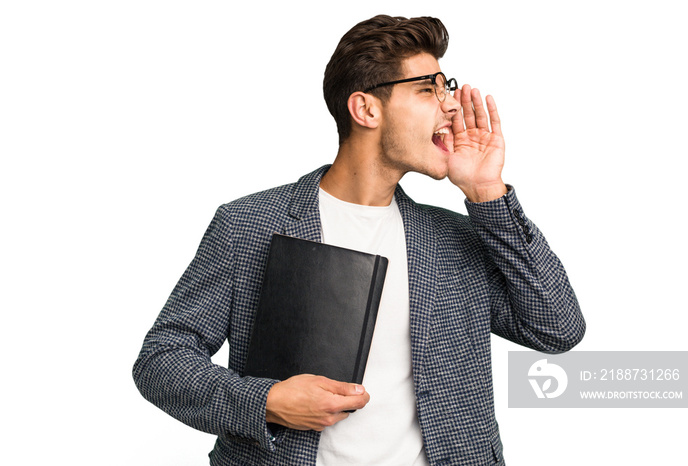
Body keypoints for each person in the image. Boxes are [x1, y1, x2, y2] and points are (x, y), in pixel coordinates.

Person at [133, 14, 585, 466]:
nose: (449, 106)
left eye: (447, 88)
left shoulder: (457, 238)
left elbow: (558, 329)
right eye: (428, 89)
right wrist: (267, 400)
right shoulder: (248, 224)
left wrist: (487, 193)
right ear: (366, 110)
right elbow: (162, 359)